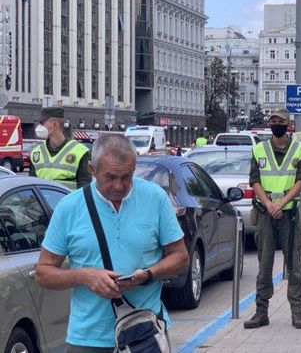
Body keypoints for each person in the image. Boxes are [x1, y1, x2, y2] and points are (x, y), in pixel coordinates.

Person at [35, 134, 189, 352]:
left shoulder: (155, 198)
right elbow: (43, 272)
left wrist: (147, 275)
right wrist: (84, 276)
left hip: (144, 333)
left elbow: (180, 257)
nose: (119, 185)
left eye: (127, 176)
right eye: (110, 177)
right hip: (88, 339)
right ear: (92, 169)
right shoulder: (69, 207)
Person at [244, 108, 301, 330]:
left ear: (288, 125)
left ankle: (297, 313)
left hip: (289, 214)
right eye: (272, 121)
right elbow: (254, 181)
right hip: (266, 214)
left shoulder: (300, 151)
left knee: (294, 266)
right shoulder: (259, 150)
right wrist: (270, 205)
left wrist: (281, 204)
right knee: (264, 266)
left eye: (279, 121)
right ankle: (261, 312)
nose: (275, 125)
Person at [29, 107, 92, 189]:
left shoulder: (80, 152)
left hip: (70, 198)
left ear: (54, 125)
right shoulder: (36, 152)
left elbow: (85, 188)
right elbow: (31, 185)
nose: (38, 127)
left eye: (42, 123)